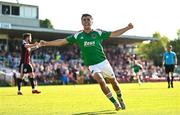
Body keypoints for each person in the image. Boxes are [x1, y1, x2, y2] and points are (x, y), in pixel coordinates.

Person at [40, 14, 133, 110]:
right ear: (81, 22)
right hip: (92, 65)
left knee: (114, 83)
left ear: (92, 21)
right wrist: (46, 43)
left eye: (88, 19)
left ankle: (120, 98)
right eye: (84, 20)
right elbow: (62, 41)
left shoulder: (98, 33)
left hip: (104, 63)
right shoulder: (78, 35)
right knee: (101, 81)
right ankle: (115, 103)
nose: (86, 21)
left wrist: (127, 28)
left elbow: (114, 33)